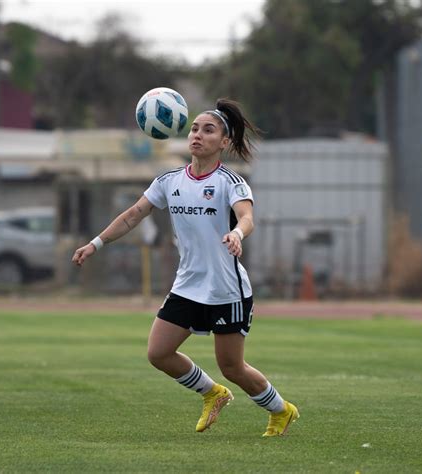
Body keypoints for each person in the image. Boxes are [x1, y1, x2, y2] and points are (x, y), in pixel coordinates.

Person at [72, 98, 299, 437]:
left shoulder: (230, 182)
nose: (197, 135)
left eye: (208, 130)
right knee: (158, 353)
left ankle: (281, 410)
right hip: (188, 285)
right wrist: (96, 243)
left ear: (223, 142)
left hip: (226, 289)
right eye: (194, 128)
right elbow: (133, 214)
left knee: (232, 366)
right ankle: (212, 393)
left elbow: (247, 217)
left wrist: (237, 233)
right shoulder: (169, 181)